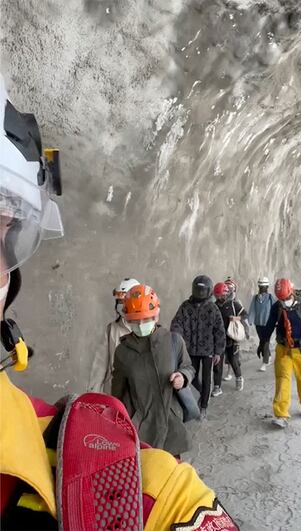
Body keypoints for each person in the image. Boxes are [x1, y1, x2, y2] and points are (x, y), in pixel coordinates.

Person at [0, 78, 236, 528]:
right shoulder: (125, 344)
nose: (142, 320)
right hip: (141, 425)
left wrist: (191, 374)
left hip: (167, 423)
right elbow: (115, 389)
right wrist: (114, 426)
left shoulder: (171, 337)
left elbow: (167, 492)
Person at [112, 284, 195, 457]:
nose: (141, 324)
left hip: (170, 420)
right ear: (127, 320)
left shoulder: (174, 341)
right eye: (135, 321)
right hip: (142, 426)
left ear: (156, 316)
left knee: (173, 474)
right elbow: (117, 393)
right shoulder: (122, 352)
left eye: (146, 319)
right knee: (149, 476)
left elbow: (188, 367)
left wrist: (183, 377)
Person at [262, 278, 301, 429]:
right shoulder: (277, 307)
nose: (284, 301)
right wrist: (263, 343)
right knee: (282, 379)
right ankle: (281, 415)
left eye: (286, 298)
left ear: (291, 292)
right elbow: (269, 326)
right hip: (284, 349)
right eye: (281, 299)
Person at [171, 275, 226, 420]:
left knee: (207, 378)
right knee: (191, 376)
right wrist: (177, 337)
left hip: (208, 350)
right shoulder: (185, 306)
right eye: (198, 290)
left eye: (203, 290)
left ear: (208, 291)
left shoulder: (213, 308)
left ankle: (203, 407)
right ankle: (202, 394)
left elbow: (219, 331)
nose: (200, 293)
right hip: (189, 350)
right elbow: (177, 323)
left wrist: (218, 352)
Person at [87, 277, 139, 393]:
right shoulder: (112, 329)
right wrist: (92, 394)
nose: (121, 305)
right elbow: (100, 365)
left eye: (124, 301)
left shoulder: (145, 329)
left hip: (138, 394)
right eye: (119, 301)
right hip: (114, 392)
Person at [212, 282, 247, 394]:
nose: (219, 298)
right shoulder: (214, 306)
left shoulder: (233, 304)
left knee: (233, 360)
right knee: (217, 363)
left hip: (232, 338)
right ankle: (217, 387)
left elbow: (245, 314)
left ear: (226, 293)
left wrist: (235, 319)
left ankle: (239, 377)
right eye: (217, 296)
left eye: (221, 296)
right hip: (218, 340)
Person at [249, 276, 276, 371]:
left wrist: (276, 320)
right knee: (262, 340)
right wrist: (250, 320)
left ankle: (265, 363)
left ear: (267, 287)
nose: (261, 288)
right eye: (260, 286)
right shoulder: (255, 298)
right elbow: (252, 309)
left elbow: (275, 309)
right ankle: (268, 356)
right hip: (258, 323)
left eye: (263, 286)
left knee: (266, 342)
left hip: (268, 323)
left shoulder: (270, 298)